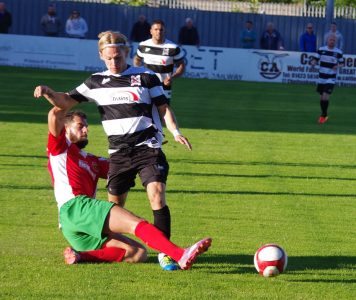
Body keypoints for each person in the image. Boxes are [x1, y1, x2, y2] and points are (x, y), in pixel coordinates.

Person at [33, 30, 194, 271]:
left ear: (126, 53)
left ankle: (168, 254)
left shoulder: (146, 76)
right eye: (108, 58)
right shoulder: (95, 82)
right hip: (118, 153)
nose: (114, 62)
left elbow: (163, 108)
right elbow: (64, 102)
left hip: (147, 146)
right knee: (116, 208)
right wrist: (48, 93)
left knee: (156, 193)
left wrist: (175, 131)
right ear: (101, 56)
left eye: (118, 57)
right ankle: (99, 249)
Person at [30, 98, 212, 268]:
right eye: (80, 126)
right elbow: (54, 114)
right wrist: (55, 95)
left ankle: (80, 256)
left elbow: (124, 167)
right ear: (65, 128)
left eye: (86, 126)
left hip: (75, 224)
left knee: (138, 253)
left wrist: (144, 148)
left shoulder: (92, 161)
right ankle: (180, 254)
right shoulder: (60, 148)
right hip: (76, 207)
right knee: (136, 224)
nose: (85, 130)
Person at [134, 19, 185, 104]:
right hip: (146, 85)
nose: (159, 32)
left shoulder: (173, 48)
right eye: (156, 29)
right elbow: (137, 59)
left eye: (161, 29)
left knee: (163, 114)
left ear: (165, 31)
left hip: (164, 86)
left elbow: (181, 66)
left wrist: (172, 77)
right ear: (151, 31)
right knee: (146, 113)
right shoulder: (143, 45)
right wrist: (138, 71)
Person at [311, 33, 344, 124]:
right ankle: (324, 114)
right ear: (327, 40)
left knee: (325, 95)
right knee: (322, 98)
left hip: (331, 78)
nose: (332, 41)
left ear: (335, 42)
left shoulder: (338, 52)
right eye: (331, 40)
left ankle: (323, 116)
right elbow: (315, 59)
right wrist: (313, 62)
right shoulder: (321, 49)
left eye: (334, 40)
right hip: (321, 78)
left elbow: (342, 63)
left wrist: (337, 66)